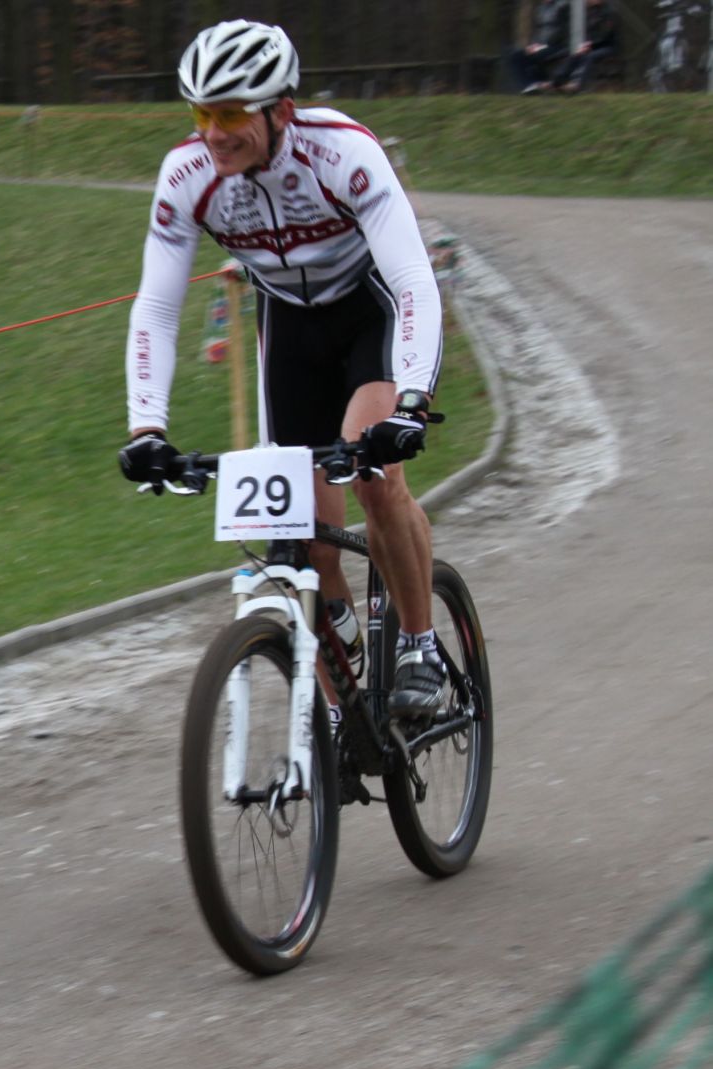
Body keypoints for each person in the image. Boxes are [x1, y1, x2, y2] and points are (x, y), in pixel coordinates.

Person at [117, 19, 446, 719]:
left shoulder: (343, 154)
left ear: (281, 111)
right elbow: (156, 307)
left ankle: (421, 642)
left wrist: (412, 403)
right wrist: (147, 427)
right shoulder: (188, 178)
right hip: (289, 332)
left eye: (231, 113)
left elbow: (413, 279)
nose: (213, 132)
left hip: (369, 315)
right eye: (202, 113)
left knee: (375, 478)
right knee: (299, 542)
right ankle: (341, 714)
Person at [556, 0, 620, 92]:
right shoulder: (591, 11)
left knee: (590, 56)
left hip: (608, 46)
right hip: (593, 45)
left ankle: (579, 85)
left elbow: (606, 35)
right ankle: (558, 82)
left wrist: (591, 45)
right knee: (576, 54)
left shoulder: (609, 12)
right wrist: (586, 45)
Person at [510, 0, 572, 93]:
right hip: (541, 45)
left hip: (558, 45)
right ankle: (529, 86)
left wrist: (543, 46)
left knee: (536, 56)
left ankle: (541, 83)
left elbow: (562, 31)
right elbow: (538, 30)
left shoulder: (563, 6)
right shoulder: (541, 8)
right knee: (516, 56)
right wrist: (533, 45)